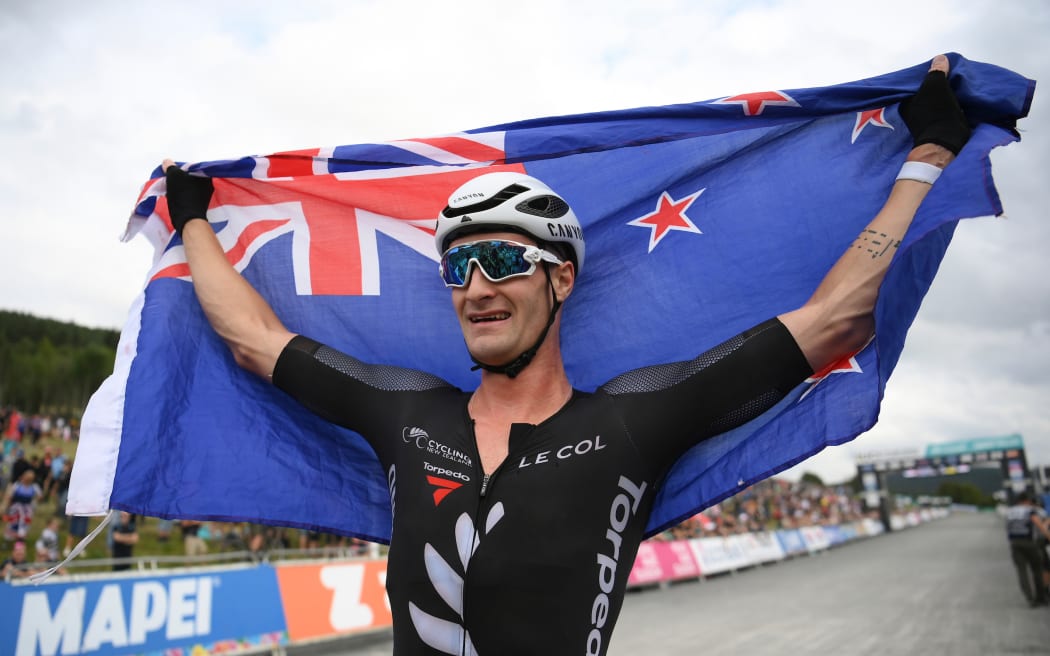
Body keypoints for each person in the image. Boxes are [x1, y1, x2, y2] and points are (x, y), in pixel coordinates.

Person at [163, 56, 970, 654]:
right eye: (457, 267)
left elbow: (836, 320)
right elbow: (254, 341)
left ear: (561, 279)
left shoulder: (634, 419)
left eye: (505, 262)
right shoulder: (406, 411)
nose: (477, 286)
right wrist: (194, 217)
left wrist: (927, 154)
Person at [1004, 491, 1050, 608]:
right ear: (1027, 501)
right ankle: (1041, 596)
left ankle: (1030, 598)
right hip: (1030, 542)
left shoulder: (1010, 512)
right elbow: (1038, 524)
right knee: (1037, 569)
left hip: (1015, 543)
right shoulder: (1030, 510)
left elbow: (1008, 527)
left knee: (1022, 571)